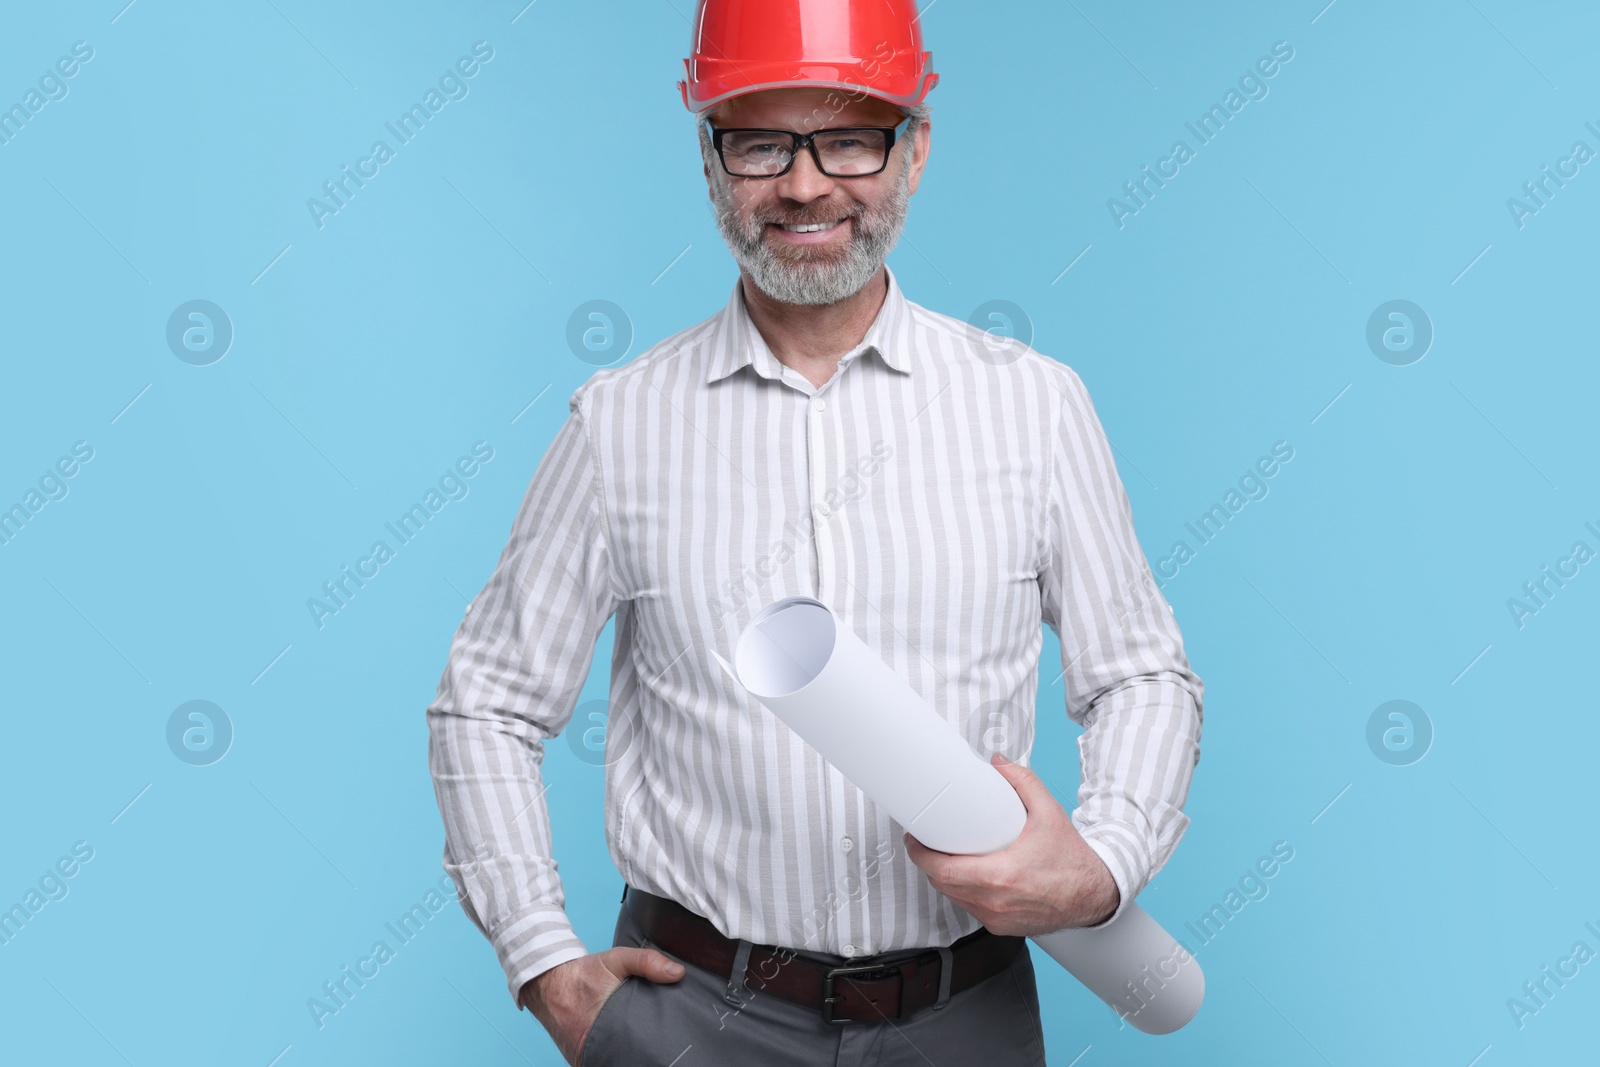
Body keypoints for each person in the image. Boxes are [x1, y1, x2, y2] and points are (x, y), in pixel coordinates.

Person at [425, 0, 1204, 1063]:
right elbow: (487, 704)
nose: (803, 184)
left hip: (962, 1015)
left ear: (915, 151)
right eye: (759, 141)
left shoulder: (1033, 406)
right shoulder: (621, 422)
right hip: (692, 1018)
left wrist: (1102, 862)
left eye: (847, 137)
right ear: (711, 162)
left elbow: (1141, 677)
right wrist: (545, 965)